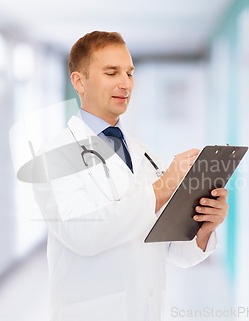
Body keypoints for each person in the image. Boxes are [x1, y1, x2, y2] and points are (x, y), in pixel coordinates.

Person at [32, 31, 229, 321]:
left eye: (129, 73)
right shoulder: (54, 156)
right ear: (79, 81)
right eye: (111, 72)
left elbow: (171, 250)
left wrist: (204, 226)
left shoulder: (145, 154)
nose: (125, 83)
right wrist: (163, 188)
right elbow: (85, 234)